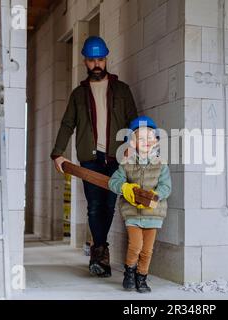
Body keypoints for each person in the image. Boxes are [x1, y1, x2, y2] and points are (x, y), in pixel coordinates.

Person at [50, 36, 138, 277]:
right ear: (85, 62)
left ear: (106, 59)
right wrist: (58, 154)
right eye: (92, 60)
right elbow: (68, 124)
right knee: (93, 206)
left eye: (100, 59)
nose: (97, 64)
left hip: (115, 157)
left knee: (109, 205)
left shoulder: (122, 90)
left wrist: (132, 143)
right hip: (90, 157)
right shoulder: (78, 94)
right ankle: (100, 250)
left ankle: (98, 250)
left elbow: (134, 121)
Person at [108, 116, 172, 293]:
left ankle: (141, 277)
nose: (146, 142)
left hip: (153, 214)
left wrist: (155, 196)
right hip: (133, 214)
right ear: (133, 142)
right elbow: (113, 182)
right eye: (141, 138)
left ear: (156, 141)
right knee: (135, 246)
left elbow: (166, 186)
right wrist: (124, 187)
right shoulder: (126, 164)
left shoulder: (161, 165)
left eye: (150, 137)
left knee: (147, 250)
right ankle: (129, 272)